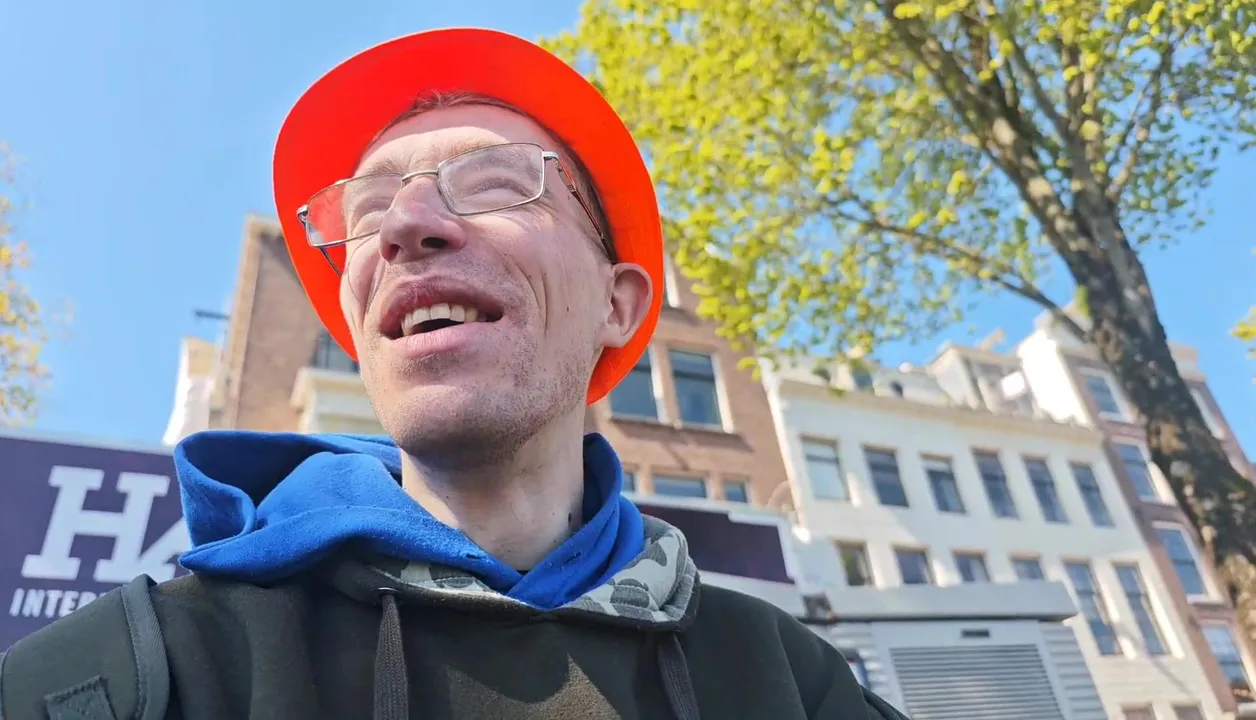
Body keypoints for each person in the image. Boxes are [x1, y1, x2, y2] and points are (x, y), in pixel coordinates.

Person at [0, 28, 910, 720]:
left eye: (497, 184)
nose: (403, 226)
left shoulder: (792, 682)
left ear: (619, 304)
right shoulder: (145, 672)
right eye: (367, 210)